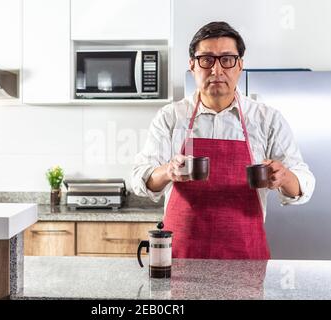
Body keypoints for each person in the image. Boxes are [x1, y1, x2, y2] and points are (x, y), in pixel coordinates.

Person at [131, 21, 315, 259]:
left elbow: (305, 183)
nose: (217, 70)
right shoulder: (170, 117)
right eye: (206, 60)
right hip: (181, 257)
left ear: (240, 65)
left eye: (227, 59)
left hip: (245, 259)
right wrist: (168, 172)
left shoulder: (266, 119)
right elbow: (140, 178)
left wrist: (285, 177)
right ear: (192, 66)